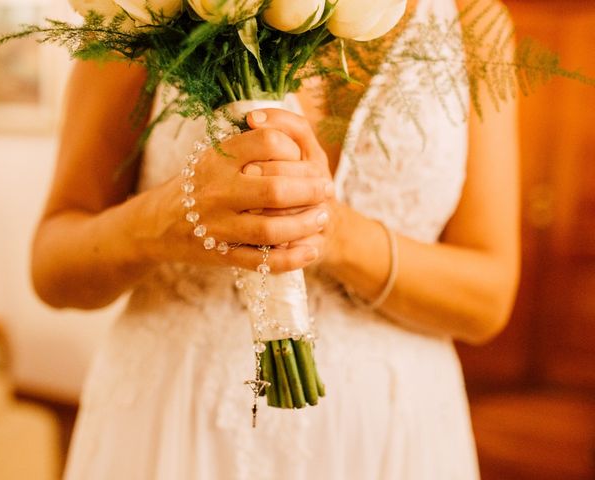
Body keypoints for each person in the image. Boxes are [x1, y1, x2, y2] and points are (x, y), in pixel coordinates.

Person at [31, 0, 519, 477]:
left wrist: (329, 230)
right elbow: (53, 268)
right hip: (178, 418)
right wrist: (169, 216)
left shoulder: (473, 22)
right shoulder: (145, 6)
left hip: (385, 433)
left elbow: (487, 301)